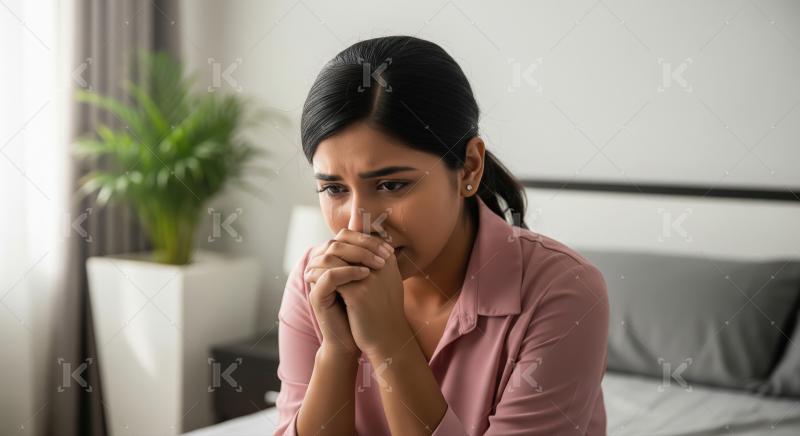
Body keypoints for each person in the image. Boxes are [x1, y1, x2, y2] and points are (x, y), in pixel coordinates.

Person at [274, 35, 609, 436]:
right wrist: (337, 351)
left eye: (392, 186)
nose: (358, 225)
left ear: (468, 167)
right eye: (334, 189)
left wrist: (388, 343)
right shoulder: (315, 282)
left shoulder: (563, 292)